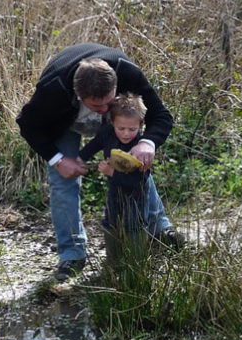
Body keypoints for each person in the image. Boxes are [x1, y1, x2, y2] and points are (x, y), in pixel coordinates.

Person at [16, 43, 179, 281]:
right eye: (96, 106)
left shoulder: (127, 74)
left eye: (108, 103)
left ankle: (160, 230)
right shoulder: (53, 89)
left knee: (134, 164)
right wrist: (59, 160)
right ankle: (72, 255)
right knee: (63, 180)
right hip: (63, 122)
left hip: (119, 121)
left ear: (116, 87)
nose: (103, 110)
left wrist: (148, 143)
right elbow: (28, 124)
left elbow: (161, 115)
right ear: (79, 94)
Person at [78, 93, 156, 238]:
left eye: (132, 129)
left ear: (140, 125)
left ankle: (136, 258)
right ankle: (113, 258)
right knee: (111, 222)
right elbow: (94, 144)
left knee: (134, 225)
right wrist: (80, 158)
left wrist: (111, 172)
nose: (126, 134)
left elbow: (138, 180)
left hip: (136, 197)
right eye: (121, 128)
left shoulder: (140, 149)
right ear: (112, 122)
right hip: (114, 191)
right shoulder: (107, 132)